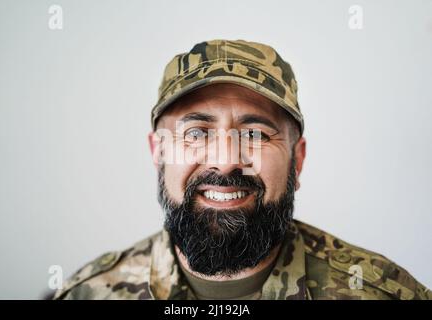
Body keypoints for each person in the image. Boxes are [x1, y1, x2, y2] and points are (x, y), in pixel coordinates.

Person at [54, 39, 430, 300]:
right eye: (196, 133)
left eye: (255, 133)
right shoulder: (90, 292)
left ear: (297, 160)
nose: (226, 159)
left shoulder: (382, 292)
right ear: (158, 152)